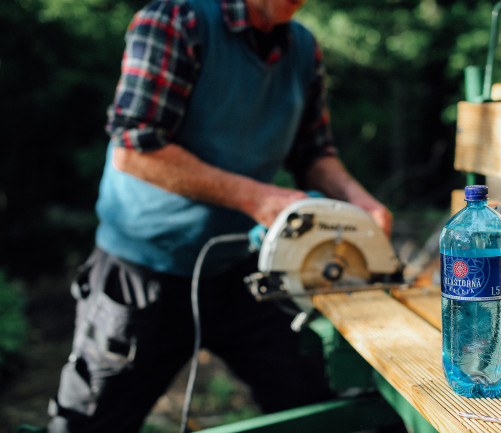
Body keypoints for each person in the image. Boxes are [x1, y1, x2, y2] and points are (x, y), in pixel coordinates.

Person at [47, 0, 393, 431]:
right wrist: (260, 200)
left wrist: (358, 203)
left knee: (315, 408)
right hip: (143, 270)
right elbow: (135, 149)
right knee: (88, 423)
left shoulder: (303, 47)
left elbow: (314, 152)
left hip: (240, 269)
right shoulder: (177, 20)